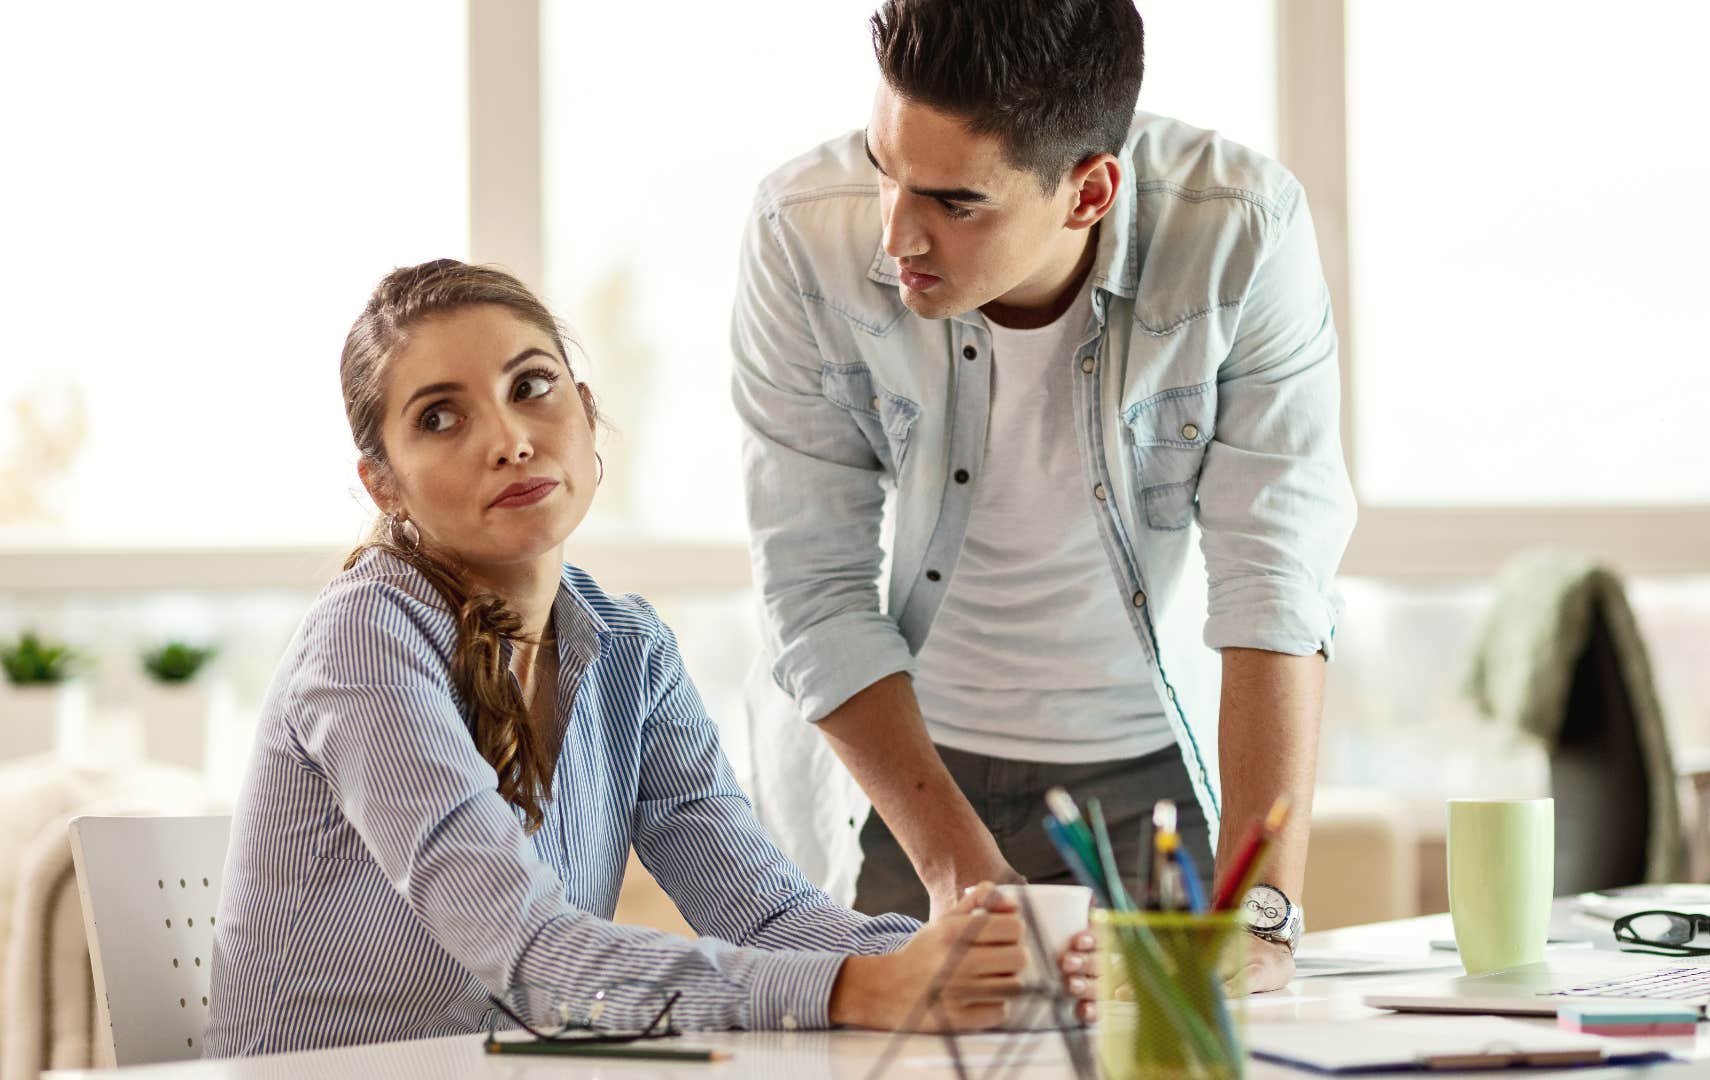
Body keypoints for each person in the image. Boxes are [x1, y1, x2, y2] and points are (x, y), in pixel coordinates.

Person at [205, 260, 1094, 1056]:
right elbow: (530, 953)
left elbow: (768, 915)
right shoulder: (367, 638)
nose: (510, 439)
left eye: (533, 386)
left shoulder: (627, 647)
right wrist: (866, 989)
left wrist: (985, 959)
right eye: (440, 418)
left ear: (587, 417)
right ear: (383, 483)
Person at [731, 0, 1356, 993]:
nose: (897, 233)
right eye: (884, 166)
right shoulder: (800, 232)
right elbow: (813, 586)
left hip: (1149, 773)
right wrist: (961, 873)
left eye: (954, 202)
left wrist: (1263, 920)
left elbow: (1274, 575)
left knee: (1183, 1047)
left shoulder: (1241, 231)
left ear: (1088, 192)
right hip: (905, 775)